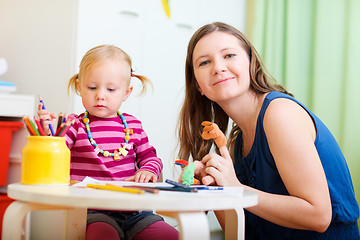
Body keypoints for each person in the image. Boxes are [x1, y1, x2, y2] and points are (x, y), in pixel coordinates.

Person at [177, 22, 360, 239]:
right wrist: (216, 188)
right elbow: (240, 232)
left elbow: (319, 216)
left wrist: (235, 188)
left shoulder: (280, 114)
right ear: (198, 85)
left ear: (251, 63)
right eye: (205, 62)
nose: (218, 67)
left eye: (229, 55)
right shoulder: (236, 144)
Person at [38, 44, 178, 240]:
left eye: (111, 89)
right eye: (92, 87)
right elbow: (54, 152)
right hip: (91, 212)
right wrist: (47, 132)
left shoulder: (133, 126)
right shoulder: (74, 125)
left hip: (134, 211)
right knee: (102, 235)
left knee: (169, 235)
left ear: (126, 92)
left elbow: (151, 158)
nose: (100, 95)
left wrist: (148, 170)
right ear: (79, 87)